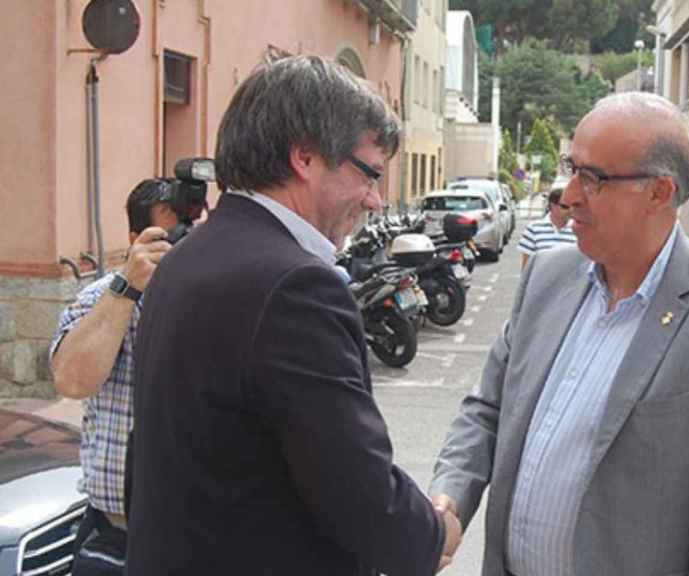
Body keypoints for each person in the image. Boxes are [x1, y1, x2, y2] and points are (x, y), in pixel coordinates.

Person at [126, 55, 459, 576]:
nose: (375, 198)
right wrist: (434, 531)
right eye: (369, 173)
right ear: (305, 156)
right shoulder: (296, 286)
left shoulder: (186, 256)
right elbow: (359, 492)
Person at [431, 92, 689, 576]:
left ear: (659, 193)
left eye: (593, 179)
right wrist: (448, 500)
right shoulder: (547, 276)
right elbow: (488, 408)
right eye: (571, 167)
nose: (569, 194)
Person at [50, 178, 181, 576]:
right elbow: (71, 382)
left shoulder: (217, 295)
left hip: (194, 533)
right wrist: (128, 289)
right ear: (134, 238)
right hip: (115, 533)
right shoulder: (103, 297)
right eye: (166, 235)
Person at [518, 187, 576, 269]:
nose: (570, 210)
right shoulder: (534, 229)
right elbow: (526, 266)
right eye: (565, 206)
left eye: (573, 206)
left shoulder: (577, 230)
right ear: (553, 205)